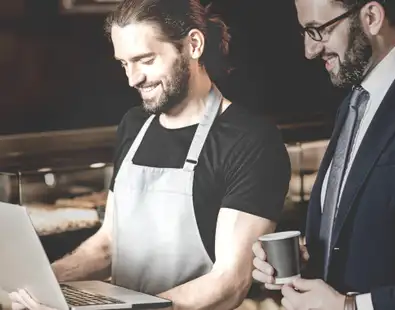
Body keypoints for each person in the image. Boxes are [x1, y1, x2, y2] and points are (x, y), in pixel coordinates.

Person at [10, 0, 291, 309]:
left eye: (145, 60)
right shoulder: (134, 124)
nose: (133, 79)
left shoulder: (249, 140)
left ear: (193, 45)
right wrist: (41, 285)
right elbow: (109, 245)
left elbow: (229, 281)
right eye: (124, 63)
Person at [252, 0, 395, 309]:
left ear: (371, 17)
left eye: (317, 30)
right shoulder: (352, 105)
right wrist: (306, 261)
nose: (309, 50)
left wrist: (350, 306)